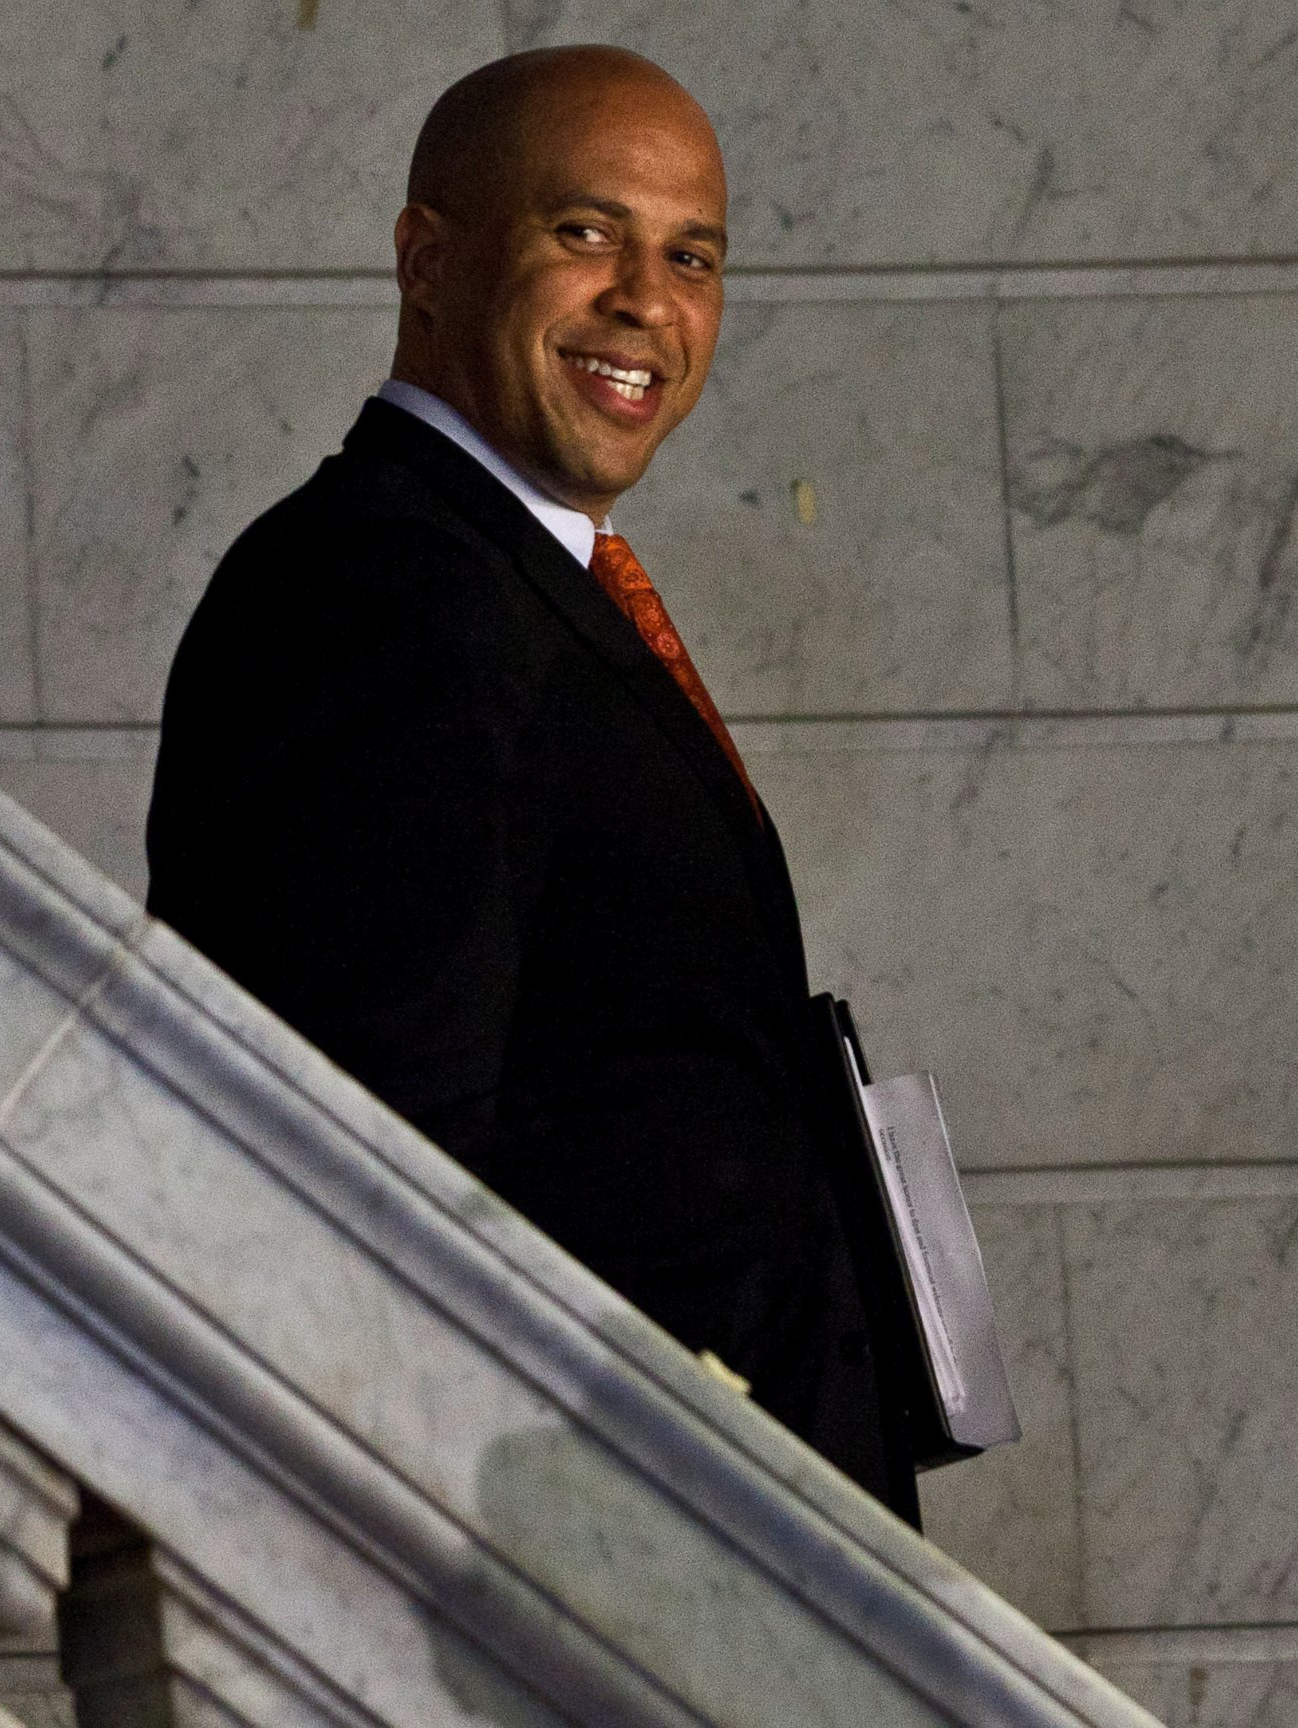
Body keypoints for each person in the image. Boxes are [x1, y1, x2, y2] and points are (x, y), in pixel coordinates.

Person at [144, 45, 917, 1524]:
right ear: (427, 259)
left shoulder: (507, 584)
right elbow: (377, 1158)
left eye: (692, 257)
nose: (647, 301)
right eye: (586, 234)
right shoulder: (385, 594)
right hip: (588, 1560)